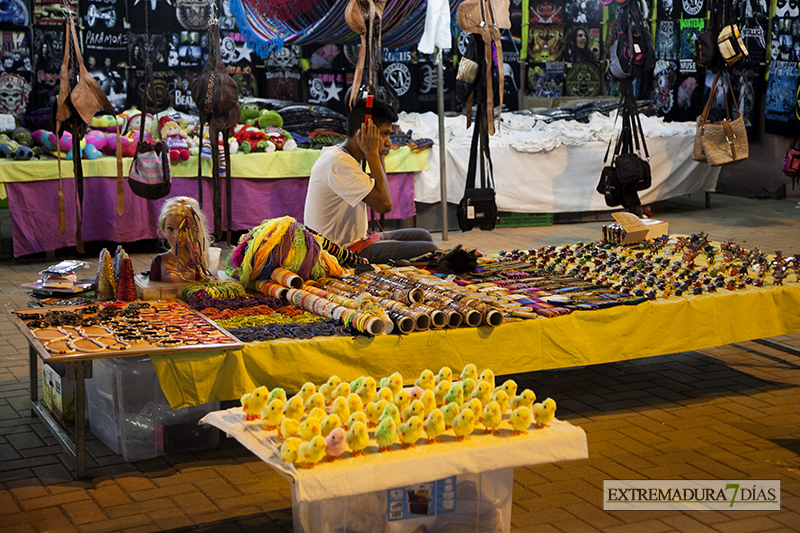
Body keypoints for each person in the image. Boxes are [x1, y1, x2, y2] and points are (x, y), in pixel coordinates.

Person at [304, 97, 438, 264]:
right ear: (365, 132)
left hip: (360, 240)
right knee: (428, 249)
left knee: (422, 235)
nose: (389, 142)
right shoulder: (338, 161)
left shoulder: (344, 156)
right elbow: (384, 205)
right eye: (384, 134)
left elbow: (382, 198)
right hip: (341, 252)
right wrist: (373, 154)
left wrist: (377, 153)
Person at [150, 197, 213, 282]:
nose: (177, 236)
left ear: (193, 230)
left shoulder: (196, 260)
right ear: (163, 228)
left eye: (184, 230)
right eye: (171, 229)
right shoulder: (159, 261)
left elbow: (202, 286)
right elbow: (151, 289)